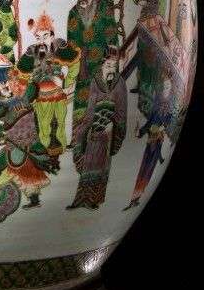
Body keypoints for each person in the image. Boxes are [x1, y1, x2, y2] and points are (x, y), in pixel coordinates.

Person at [66, 46, 127, 210]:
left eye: (114, 66)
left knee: (102, 167)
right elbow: (90, 108)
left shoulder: (120, 83)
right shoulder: (96, 80)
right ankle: (81, 200)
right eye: (108, 65)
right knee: (89, 163)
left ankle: (94, 200)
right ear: (102, 63)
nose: (111, 68)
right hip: (94, 128)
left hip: (109, 131)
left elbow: (122, 111)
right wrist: (85, 129)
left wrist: (115, 127)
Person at [16, 11, 80, 156]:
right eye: (38, 37)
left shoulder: (59, 47)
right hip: (40, 97)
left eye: (45, 36)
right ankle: (44, 151)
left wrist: (66, 84)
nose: (42, 41)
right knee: (44, 125)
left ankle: (61, 148)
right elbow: (21, 74)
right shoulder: (32, 52)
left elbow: (75, 64)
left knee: (60, 123)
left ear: (52, 36)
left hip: (59, 94)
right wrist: (28, 92)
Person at [67, 0, 118, 124]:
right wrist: (75, 67)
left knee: (103, 104)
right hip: (83, 68)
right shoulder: (73, 13)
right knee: (82, 107)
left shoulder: (104, 9)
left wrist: (112, 64)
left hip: (102, 65)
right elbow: (71, 44)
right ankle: (79, 130)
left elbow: (112, 39)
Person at [124, 73, 175, 210]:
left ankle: (138, 196)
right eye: (164, 86)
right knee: (144, 167)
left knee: (149, 168)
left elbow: (170, 118)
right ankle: (135, 197)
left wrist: (163, 127)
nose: (165, 88)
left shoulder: (171, 102)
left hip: (158, 139)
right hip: (151, 138)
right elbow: (151, 120)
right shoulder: (158, 100)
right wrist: (141, 132)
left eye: (168, 86)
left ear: (171, 87)